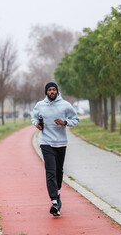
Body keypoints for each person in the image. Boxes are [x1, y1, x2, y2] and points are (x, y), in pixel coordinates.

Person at [31, 82, 79, 216]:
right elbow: (34, 117)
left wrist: (64, 122)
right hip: (46, 143)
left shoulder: (65, 105)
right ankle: (54, 202)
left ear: (57, 91)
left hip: (61, 143)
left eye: (54, 90)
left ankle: (57, 193)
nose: (52, 92)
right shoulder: (40, 105)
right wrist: (37, 124)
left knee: (58, 172)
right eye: (49, 90)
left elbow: (76, 119)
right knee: (50, 172)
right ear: (46, 92)